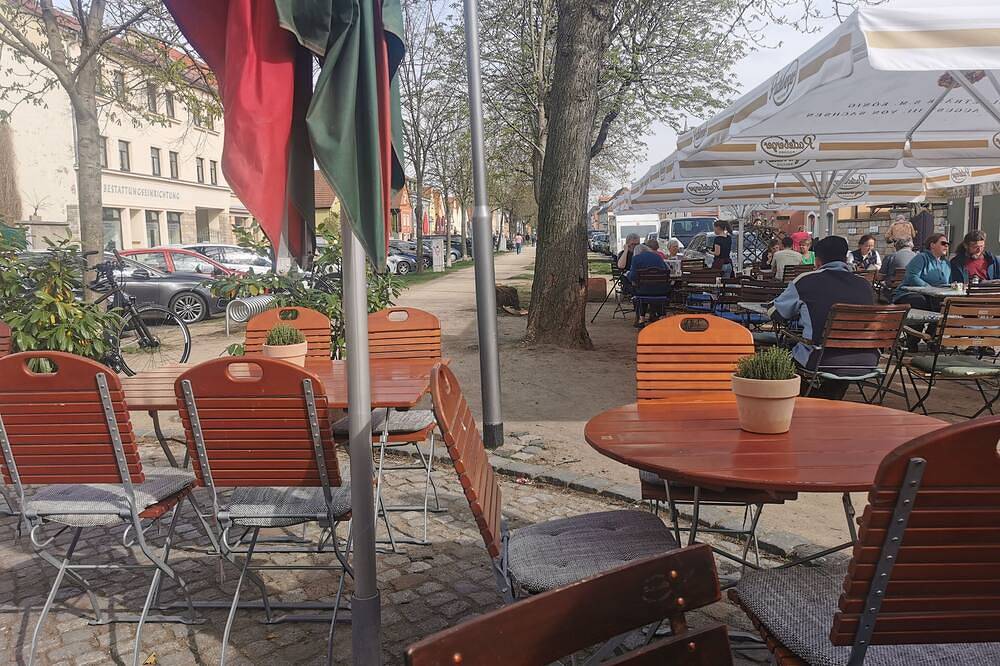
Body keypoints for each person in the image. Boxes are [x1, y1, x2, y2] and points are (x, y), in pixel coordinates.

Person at [771, 235, 876, 399]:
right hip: (867, 359)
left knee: (780, 355)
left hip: (821, 359)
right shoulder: (865, 285)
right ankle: (829, 395)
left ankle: (815, 397)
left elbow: (778, 313)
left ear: (817, 261)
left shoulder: (806, 281)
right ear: (845, 258)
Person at [627, 244, 670, 327]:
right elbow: (666, 270)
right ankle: (660, 316)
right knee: (650, 288)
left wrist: (628, 274)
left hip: (643, 292)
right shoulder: (658, 257)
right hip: (661, 291)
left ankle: (641, 319)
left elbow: (633, 277)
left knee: (641, 290)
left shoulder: (636, 258)